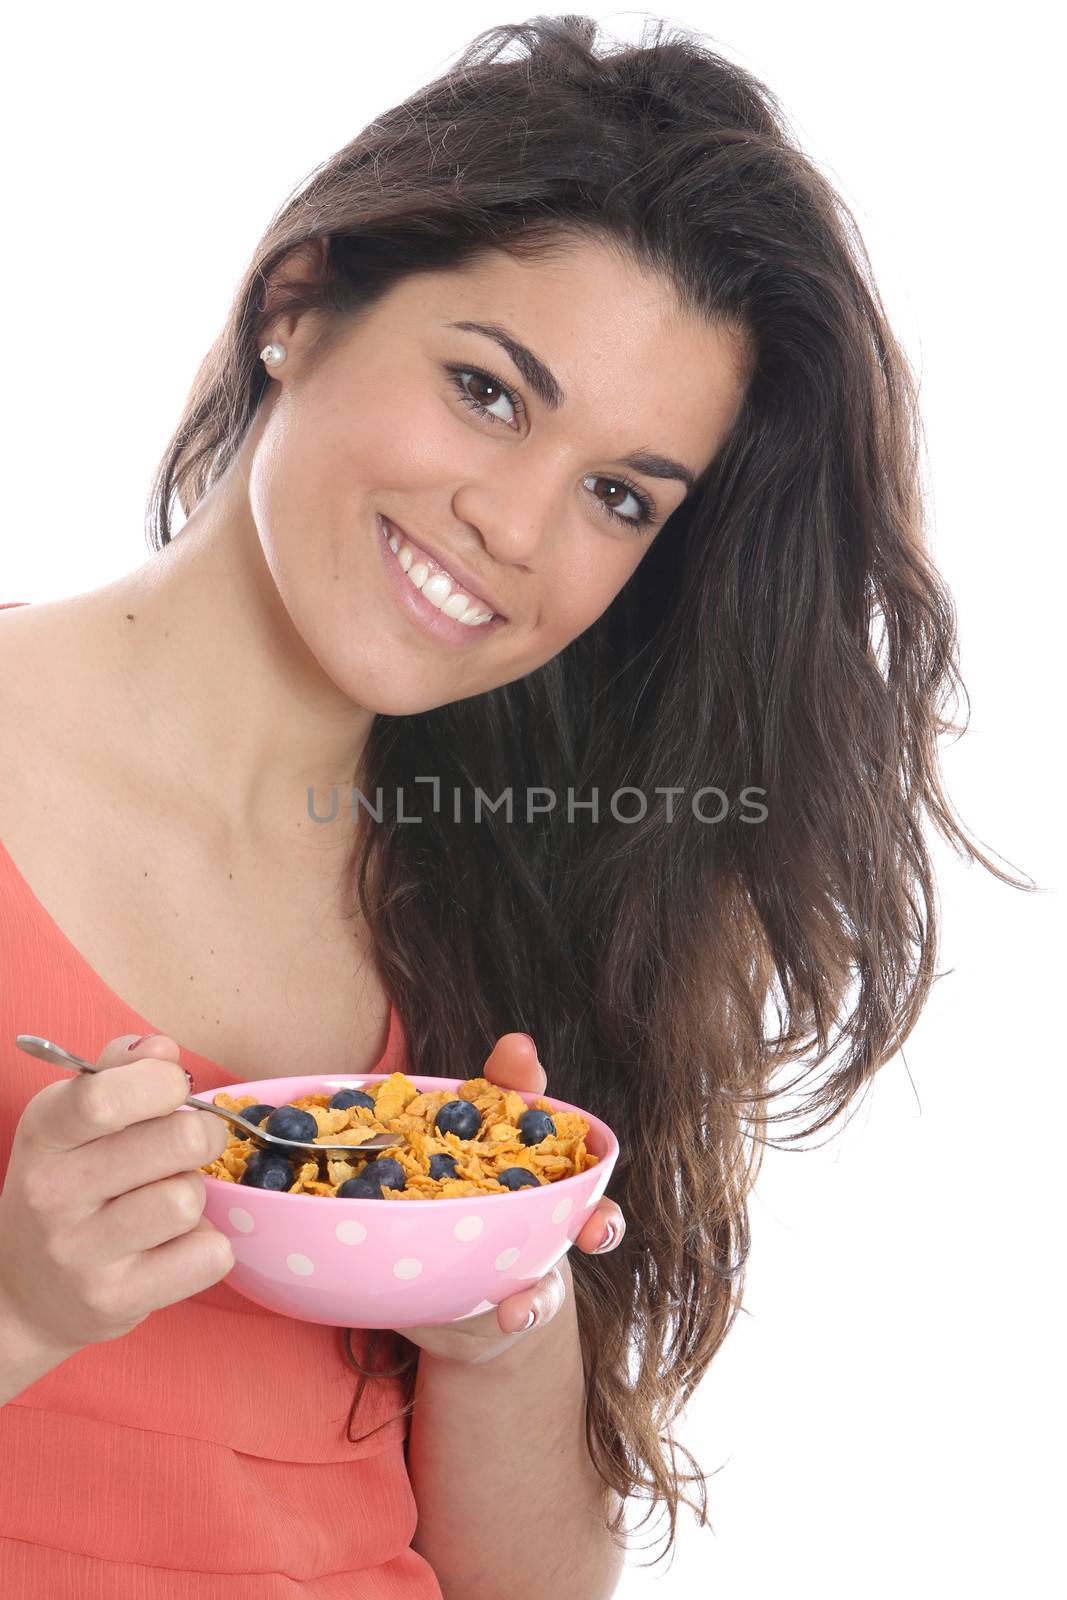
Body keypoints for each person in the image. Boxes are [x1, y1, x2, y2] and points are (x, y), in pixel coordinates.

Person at [0, 12, 1031, 1598]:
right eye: (488, 392)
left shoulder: (519, 881)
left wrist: (495, 1329)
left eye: (621, 496)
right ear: (299, 303)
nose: (513, 527)